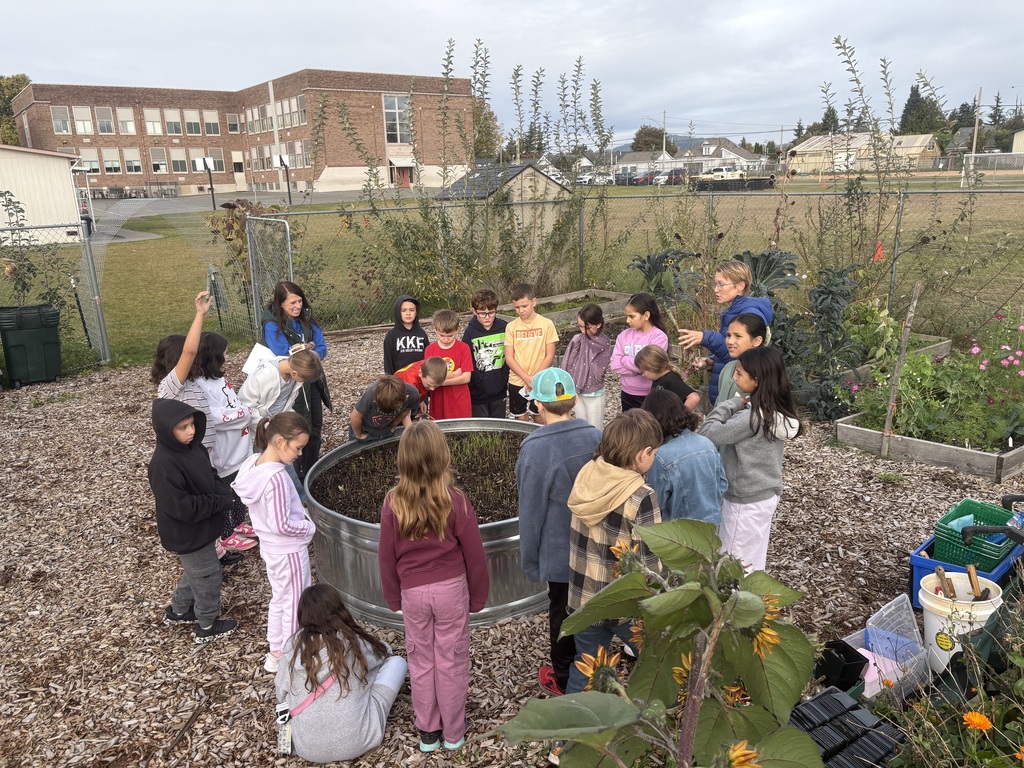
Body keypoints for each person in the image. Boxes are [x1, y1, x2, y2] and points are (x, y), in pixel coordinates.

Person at [377, 421, 489, 753]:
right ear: (442, 456)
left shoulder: (392, 502)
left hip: (413, 593)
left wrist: (392, 594)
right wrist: (479, 595)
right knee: (451, 660)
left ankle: (428, 731)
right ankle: (454, 733)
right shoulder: (455, 499)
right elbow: (475, 554)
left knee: (421, 659)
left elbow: (386, 554)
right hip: (451, 591)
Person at [515, 368, 601, 698]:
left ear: (537, 404)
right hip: (593, 545)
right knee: (592, 607)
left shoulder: (536, 449)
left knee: (562, 613)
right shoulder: (594, 435)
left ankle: (564, 678)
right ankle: (595, 662)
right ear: (574, 400)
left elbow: (531, 511)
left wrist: (530, 560)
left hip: (560, 552)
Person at [564, 409, 663, 695]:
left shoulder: (588, 472)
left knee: (587, 667)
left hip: (584, 598)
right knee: (655, 660)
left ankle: (571, 734)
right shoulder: (642, 496)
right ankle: (647, 712)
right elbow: (650, 564)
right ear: (643, 454)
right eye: (654, 453)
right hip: (623, 605)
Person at [275, 584, 408, 764]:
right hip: (359, 739)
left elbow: (280, 694)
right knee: (397, 663)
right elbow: (382, 655)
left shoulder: (292, 647)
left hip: (306, 748)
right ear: (338, 608)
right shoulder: (349, 640)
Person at [698, 346, 803, 574]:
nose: (734, 377)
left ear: (756, 381)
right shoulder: (775, 412)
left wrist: (733, 403)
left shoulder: (751, 417)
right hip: (765, 494)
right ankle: (754, 602)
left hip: (743, 500)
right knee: (753, 557)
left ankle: (735, 607)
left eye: (739, 373)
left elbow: (707, 432)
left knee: (733, 563)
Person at [148, 398, 238, 644]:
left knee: (195, 570)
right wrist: (218, 502)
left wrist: (222, 492)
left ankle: (179, 610)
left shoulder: (194, 448)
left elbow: (211, 474)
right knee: (208, 574)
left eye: (192, 424)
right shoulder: (163, 464)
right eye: (182, 427)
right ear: (166, 430)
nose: (191, 431)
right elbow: (181, 507)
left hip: (204, 525)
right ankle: (207, 624)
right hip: (187, 532)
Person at [233, 412, 316, 673]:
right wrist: (309, 526)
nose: (300, 454)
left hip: (271, 549)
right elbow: (282, 524)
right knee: (295, 602)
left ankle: (276, 649)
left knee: (280, 598)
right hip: (288, 550)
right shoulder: (277, 478)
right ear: (280, 442)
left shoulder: (253, 464)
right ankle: (291, 656)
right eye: (298, 447)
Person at [193, 333, 257, 554]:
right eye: (225, 351)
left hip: (239, 445)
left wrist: (242, 414)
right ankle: (227, 533)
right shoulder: (200, 386)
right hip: (224, 450)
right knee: (225, 493)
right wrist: (244, 414)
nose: (227, 355)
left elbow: (233, 404)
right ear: (213, 355)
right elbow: (215, 417)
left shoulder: (219, 379)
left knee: (238, 489)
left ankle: (239, 523)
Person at [678, 260, 773, 405]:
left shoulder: (749, 315)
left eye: (721, 284)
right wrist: (713, 363)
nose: (716, 289)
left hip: (736, 401)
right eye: (715, 284)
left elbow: (746, 356)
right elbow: (732, 356)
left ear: (740, 286)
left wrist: (706, 337)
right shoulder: (733, 312)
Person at [263, 281, 331, 480]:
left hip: (312, 381)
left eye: (299, 301)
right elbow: (284, 355)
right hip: (293, 386)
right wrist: (308, 351)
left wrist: (304, 352)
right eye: (292, 303)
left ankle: (312, 471)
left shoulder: (306, 319)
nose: (297, 306)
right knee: (298, 429)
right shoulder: (272, 325)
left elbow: (322, 348)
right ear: (280, 304)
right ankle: (297, 475)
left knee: (315, 428)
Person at [641, 389, 726, 524]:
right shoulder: (707, 443)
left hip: (679, 532)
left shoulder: (661, 457)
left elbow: (656, 503)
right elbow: (722, 484)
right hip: (711, 524)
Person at [505, 283, 558, 422]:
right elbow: (509, 358)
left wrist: (534, 379)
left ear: (534, 302)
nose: (521, 310)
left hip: (540, 379)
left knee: (539, 415)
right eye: (517, 307)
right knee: (520, 417)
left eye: (524, 306)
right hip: (517, 380)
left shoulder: (547, 324)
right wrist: (527, 378)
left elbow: (550, 355)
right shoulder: (511, 327)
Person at [610, 293, 670, 412]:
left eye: (632, 316)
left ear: (646, 315)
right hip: (627, 394)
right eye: (627, 316)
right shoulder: (623, 336)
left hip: (650, 395)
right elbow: (614, 365)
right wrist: (638, 370)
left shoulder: (659, 338)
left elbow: (651, 366)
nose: (628, 320)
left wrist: (624, 359)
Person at [238, 347, 323, 427]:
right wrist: (265, 425)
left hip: (278, 421)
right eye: (306, 379)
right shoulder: (263, 376)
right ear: (294, 373)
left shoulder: (293, 370)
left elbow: (287, 401)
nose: (305, 382)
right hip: (258, 424)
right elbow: (246, 405)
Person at [561, 304, 612, 429]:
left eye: (586, 327)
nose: (582, 330)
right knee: (580, 425)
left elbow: (596, 368)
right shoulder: (577, 339)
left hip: (593, 392)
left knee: (595, 427)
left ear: (598, 324)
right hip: (576, 391)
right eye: (579, 326)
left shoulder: (603, 342)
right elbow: (567, 362)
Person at [463, 288, 509, 418]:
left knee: (499, 425)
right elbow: (468, 361)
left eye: (491, 313)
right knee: (481, 428)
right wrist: (478, 381)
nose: (487, 317)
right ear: (474, 311)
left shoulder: (504, 327)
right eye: (482, 313)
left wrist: (503, 377)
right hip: (478, 393)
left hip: (499, 389)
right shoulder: (470, 332)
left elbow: (510, 354)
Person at [425, 309, 473, 420]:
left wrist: (440, 382)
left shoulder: (463, 348)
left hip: (459, 399)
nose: (446, 339)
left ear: (457, 330)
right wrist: (455, 374)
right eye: (441, 335)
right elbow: (430, 378)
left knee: (462, 430)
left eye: (450, 336)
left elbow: (466, 378)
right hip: (439, 399)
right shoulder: (430, 350)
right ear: (435, 329)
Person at [349, 375, 420, 443]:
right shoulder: (372, 393)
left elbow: (405, 411)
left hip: (386, 429)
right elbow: (355, 416)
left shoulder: (413, 394)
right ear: (375, 400)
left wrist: (394, 425)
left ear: (405, 398)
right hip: (365, 429)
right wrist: (358, 435)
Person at [716, 313, 766, 406]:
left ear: (757, 341)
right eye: (728, 335)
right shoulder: (728, 368)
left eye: (738, 336)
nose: (730, 341)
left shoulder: (764, 374)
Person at [634, 345, 701, 413]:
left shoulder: (671, 380)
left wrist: (681, 417)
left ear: (652, 368)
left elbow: (694, 398)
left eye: (643, 371)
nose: (642, 375)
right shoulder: (658, 379)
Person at [383, 294, 430, 375]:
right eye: (404, 310)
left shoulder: (421, 333)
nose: (408, 313)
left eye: (412, 310)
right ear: (398, 312)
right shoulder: (392, 336)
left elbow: (428, 358)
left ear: (416, 312)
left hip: (419, 378)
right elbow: (388, 362)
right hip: (399, 380)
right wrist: (390, 381)